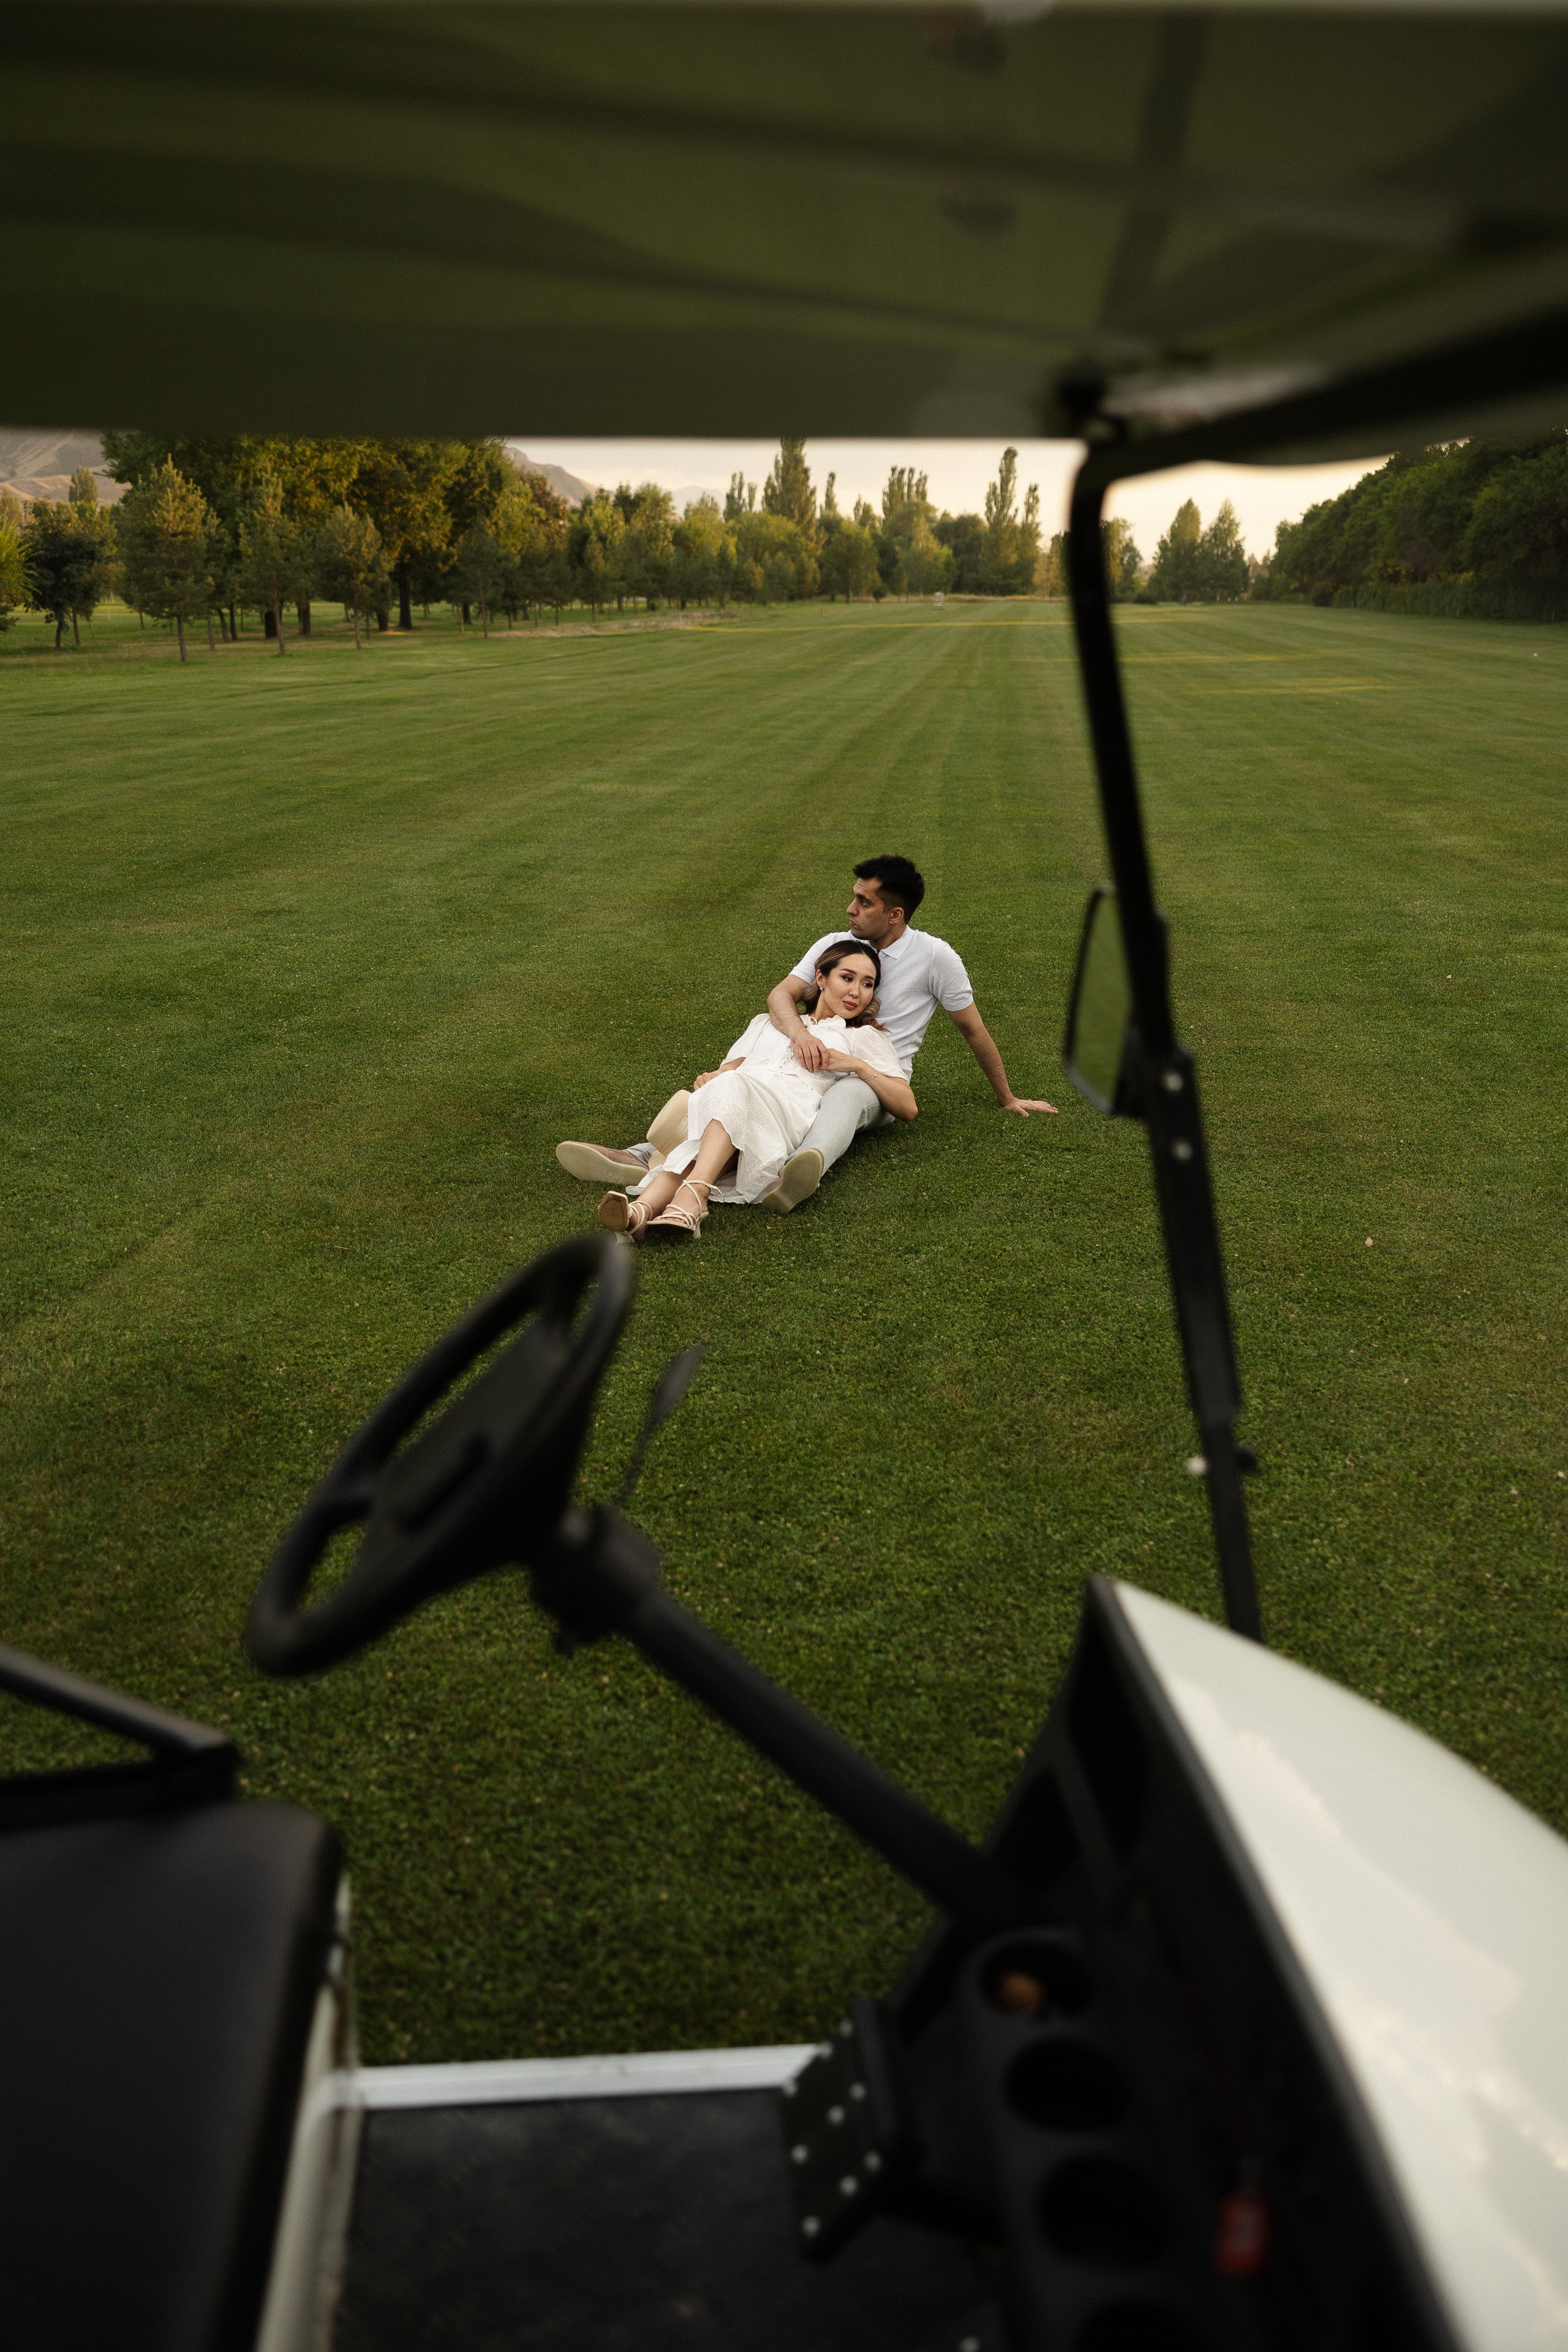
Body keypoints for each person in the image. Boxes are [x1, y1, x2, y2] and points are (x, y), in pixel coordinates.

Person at [556, 853, 1052, 1213]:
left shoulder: (936, 957)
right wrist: (801, 1038)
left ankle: (798, 1168)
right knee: (748, 1082)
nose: (850, 908)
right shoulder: (837, 944)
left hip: (876, 1074)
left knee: (847, 1091)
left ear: (895, 914)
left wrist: (1007, 1097)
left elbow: (973, 1030)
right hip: (808, 1060)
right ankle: (644, 1156)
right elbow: (781, 996)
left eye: (863, 901)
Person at [597, 940, 914, 1243]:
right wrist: (711, 1078)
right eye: (847, 978)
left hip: (787, 1115)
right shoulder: (767, 1023)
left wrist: (856, 1064)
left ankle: (693, 1196)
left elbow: (907, 1106)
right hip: (738, 1103)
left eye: (868, 984)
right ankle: (643, 1212)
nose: (856, 992)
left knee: (735, 1090)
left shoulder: (862, 1037)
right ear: (820, 978)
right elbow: (728, 1070)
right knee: (724, 1106)